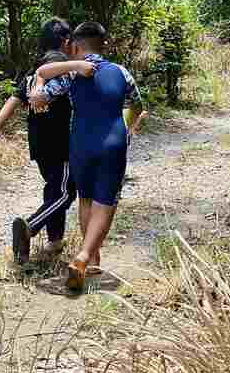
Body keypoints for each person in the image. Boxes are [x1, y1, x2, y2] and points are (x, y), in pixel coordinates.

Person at [30, 21, 147, 294]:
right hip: (113, 144)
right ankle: (84, 257)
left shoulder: (72, 73)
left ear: (75, 45)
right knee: (105, 203)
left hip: (80, 144)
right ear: (103, 44)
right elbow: (137, 105)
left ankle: (92, 259)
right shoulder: (121, 71)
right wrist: (128, 129)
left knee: (85, 199)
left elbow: (41, 95)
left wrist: (42, 89)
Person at [0, 18, 78, 265]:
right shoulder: (63, 67)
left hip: (38, 143)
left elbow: (14, 99)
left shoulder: (34, 69)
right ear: (66, 42)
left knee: (54, 188)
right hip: (62, 143)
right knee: (66, 193)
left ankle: (56, 240)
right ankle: (30, 226)